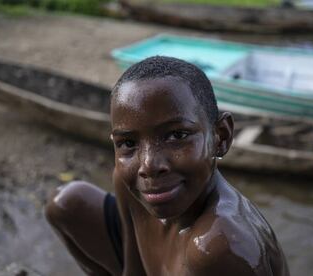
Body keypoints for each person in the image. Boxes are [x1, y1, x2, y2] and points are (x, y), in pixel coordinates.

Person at [45, 56, 289, 276]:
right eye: (128, 143)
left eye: (176, 136)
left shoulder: (217, 247)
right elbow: (134, 269)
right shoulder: (133, 183)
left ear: (220, 137)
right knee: (65, 203)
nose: (149, 165)